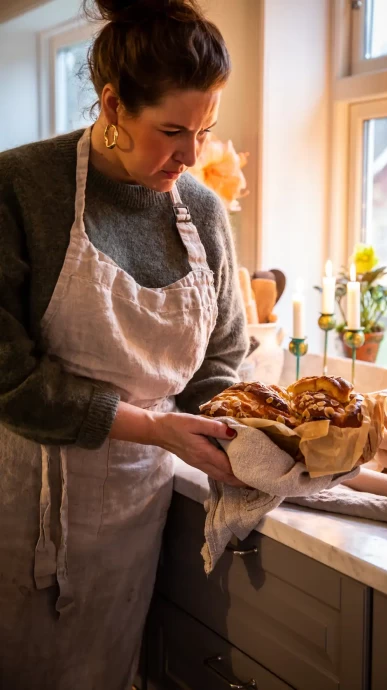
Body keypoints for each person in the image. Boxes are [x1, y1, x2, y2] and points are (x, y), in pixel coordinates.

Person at [0, 0, 248, 686]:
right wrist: (156, 426)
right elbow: (9, 377)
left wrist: (243, 431)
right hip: (23, 502)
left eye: (204, 130)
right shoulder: (21, 186)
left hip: (139, 509)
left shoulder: (202, 210)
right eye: (171, 130)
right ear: (112, 105)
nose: (191, 155)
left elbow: (223, 356)